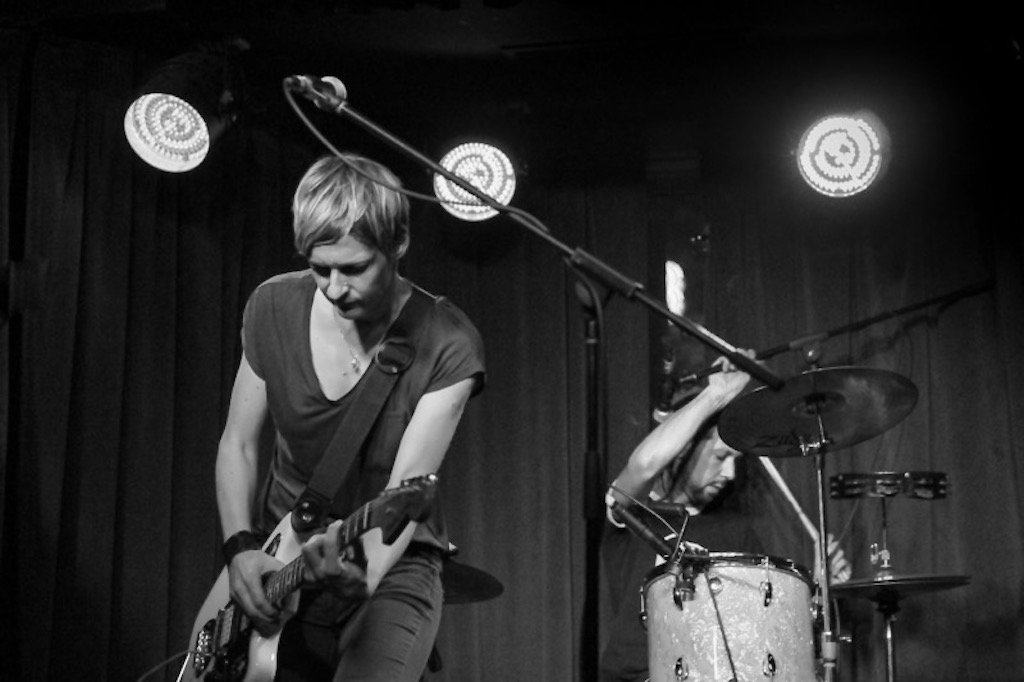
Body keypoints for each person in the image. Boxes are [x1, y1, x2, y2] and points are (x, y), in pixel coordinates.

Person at [215, 153, 485, 681]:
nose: (335, 289)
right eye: (321, 269)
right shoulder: (272, 306)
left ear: (399, 243)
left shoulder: (448, 342)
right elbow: (238, 445)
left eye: (355, 268)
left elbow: (406, 490)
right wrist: (240, 548)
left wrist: (363, 575)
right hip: (280, 557)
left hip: (392, 561)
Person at [600, 353, 850, 682]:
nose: (730, 473)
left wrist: (815, 591)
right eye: (720, 457)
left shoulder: (736, 531)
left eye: (734, 460)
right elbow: (645, 465)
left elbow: (768, 636)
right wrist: (716, 394)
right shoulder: (634, 513)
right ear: (683, 449)